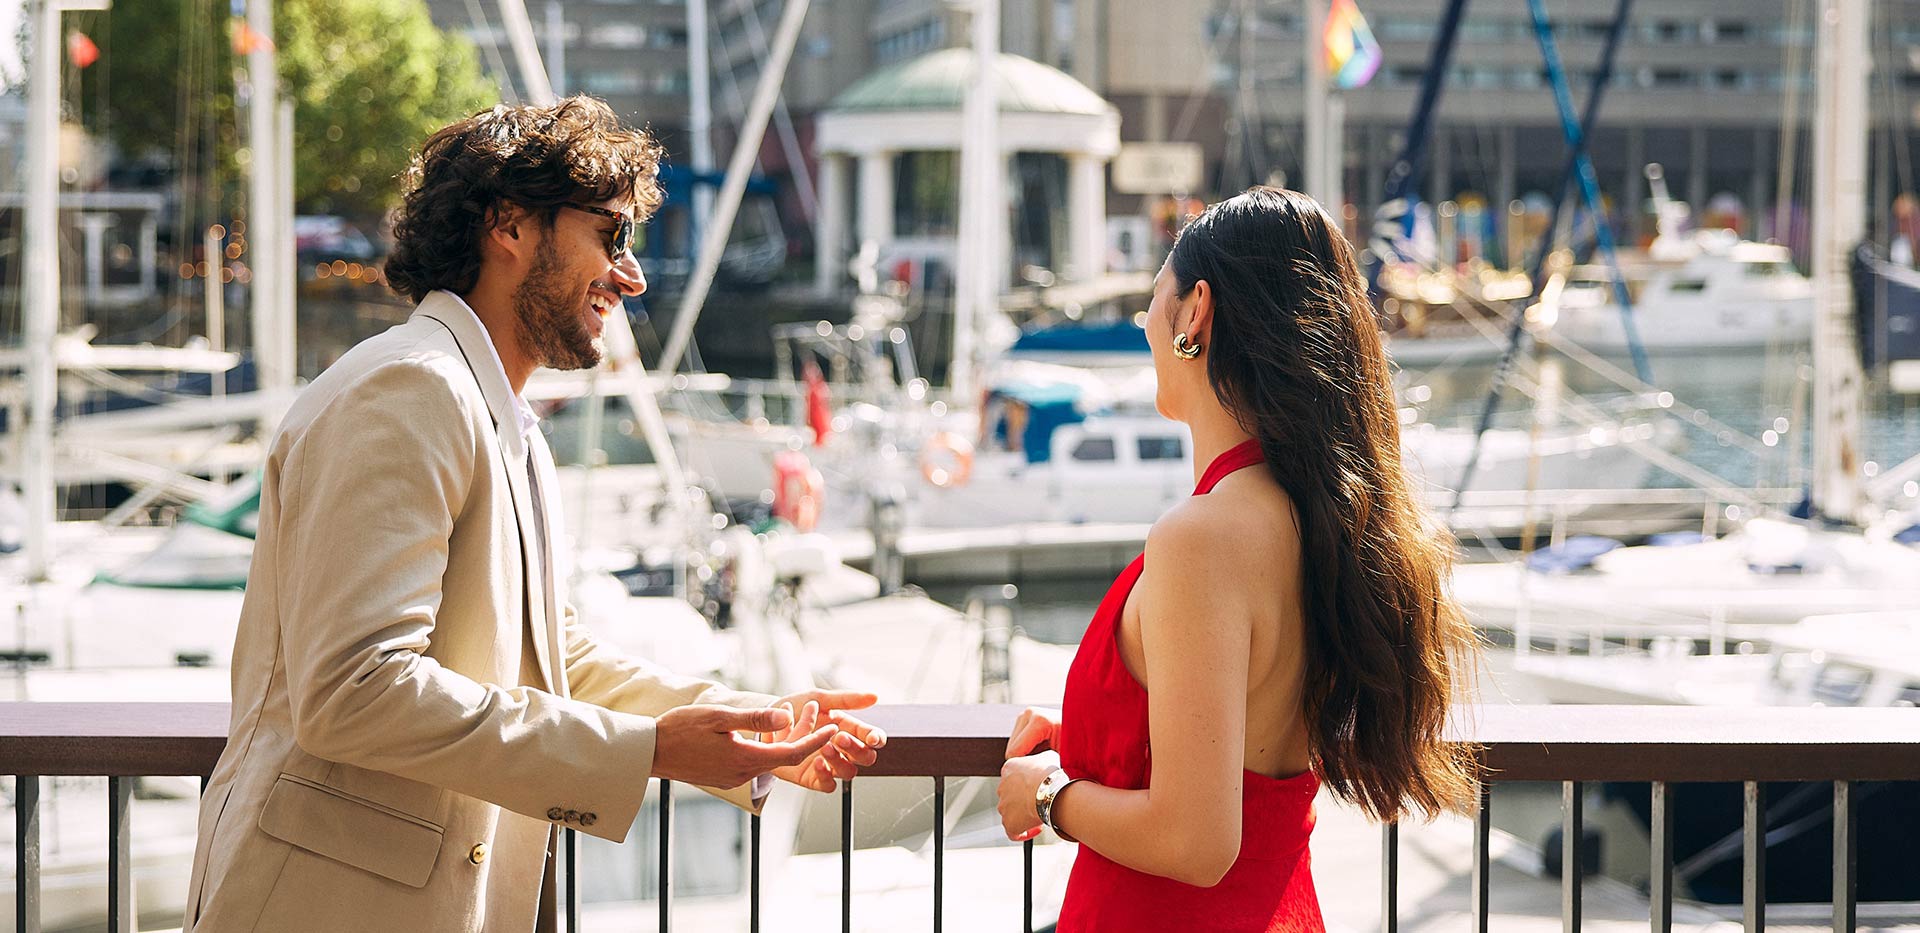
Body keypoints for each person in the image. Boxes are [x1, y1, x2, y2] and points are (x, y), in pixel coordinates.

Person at [186, 97, 885, 932]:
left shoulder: (493, 410)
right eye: (612, 235)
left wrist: (742, 727)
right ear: (508, 225)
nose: (631, 275)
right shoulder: (411, 390)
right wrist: (653, 751)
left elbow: (549, 660)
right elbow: (355, 690)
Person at [995, 187, 1478, 931]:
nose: (1144, 323)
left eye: (1154, 298)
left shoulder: (1204, 537)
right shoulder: (1318, 517)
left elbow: (1197, 840)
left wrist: (1048, 793)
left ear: (1196, 314)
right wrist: (1101, 735)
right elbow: (1243, 731)